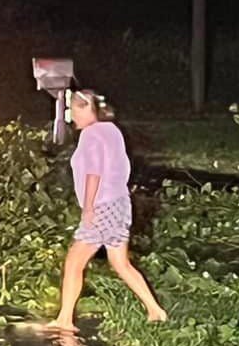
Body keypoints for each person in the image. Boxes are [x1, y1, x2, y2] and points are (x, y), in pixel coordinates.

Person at [48, 89, 167, 330]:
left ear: (85, 108)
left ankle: (64, 320)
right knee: (120, 263)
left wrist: (89, 208)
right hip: (121, 204)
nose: (72, 118)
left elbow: (94, 172)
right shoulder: (112, 130)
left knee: (74, 262)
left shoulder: (91, 135)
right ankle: (155, 310)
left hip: (101, 205)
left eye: (73, 111)